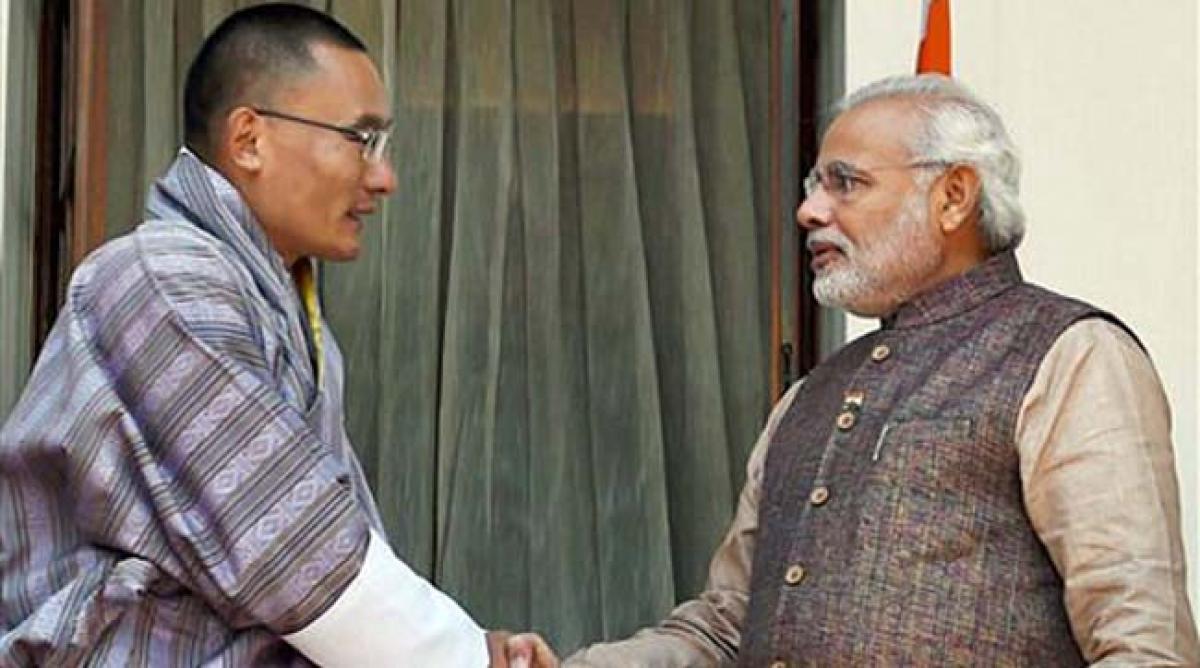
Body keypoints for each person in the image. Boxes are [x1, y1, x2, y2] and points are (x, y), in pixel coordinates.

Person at [565, 74, 1200, 665]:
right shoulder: (812, 394)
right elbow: (724, 628)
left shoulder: (1070, 354)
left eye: (845, 183)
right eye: (814, 186)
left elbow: (1142, 642)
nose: (810, 211)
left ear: (953, 197)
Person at [0, 4, 555, 666]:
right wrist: (469, 657)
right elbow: (295, 552)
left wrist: (474, 646)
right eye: (362, 139)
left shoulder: (282, 311)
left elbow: (339, 550)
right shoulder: (163, 278)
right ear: (249, 140)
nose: (384, 178)